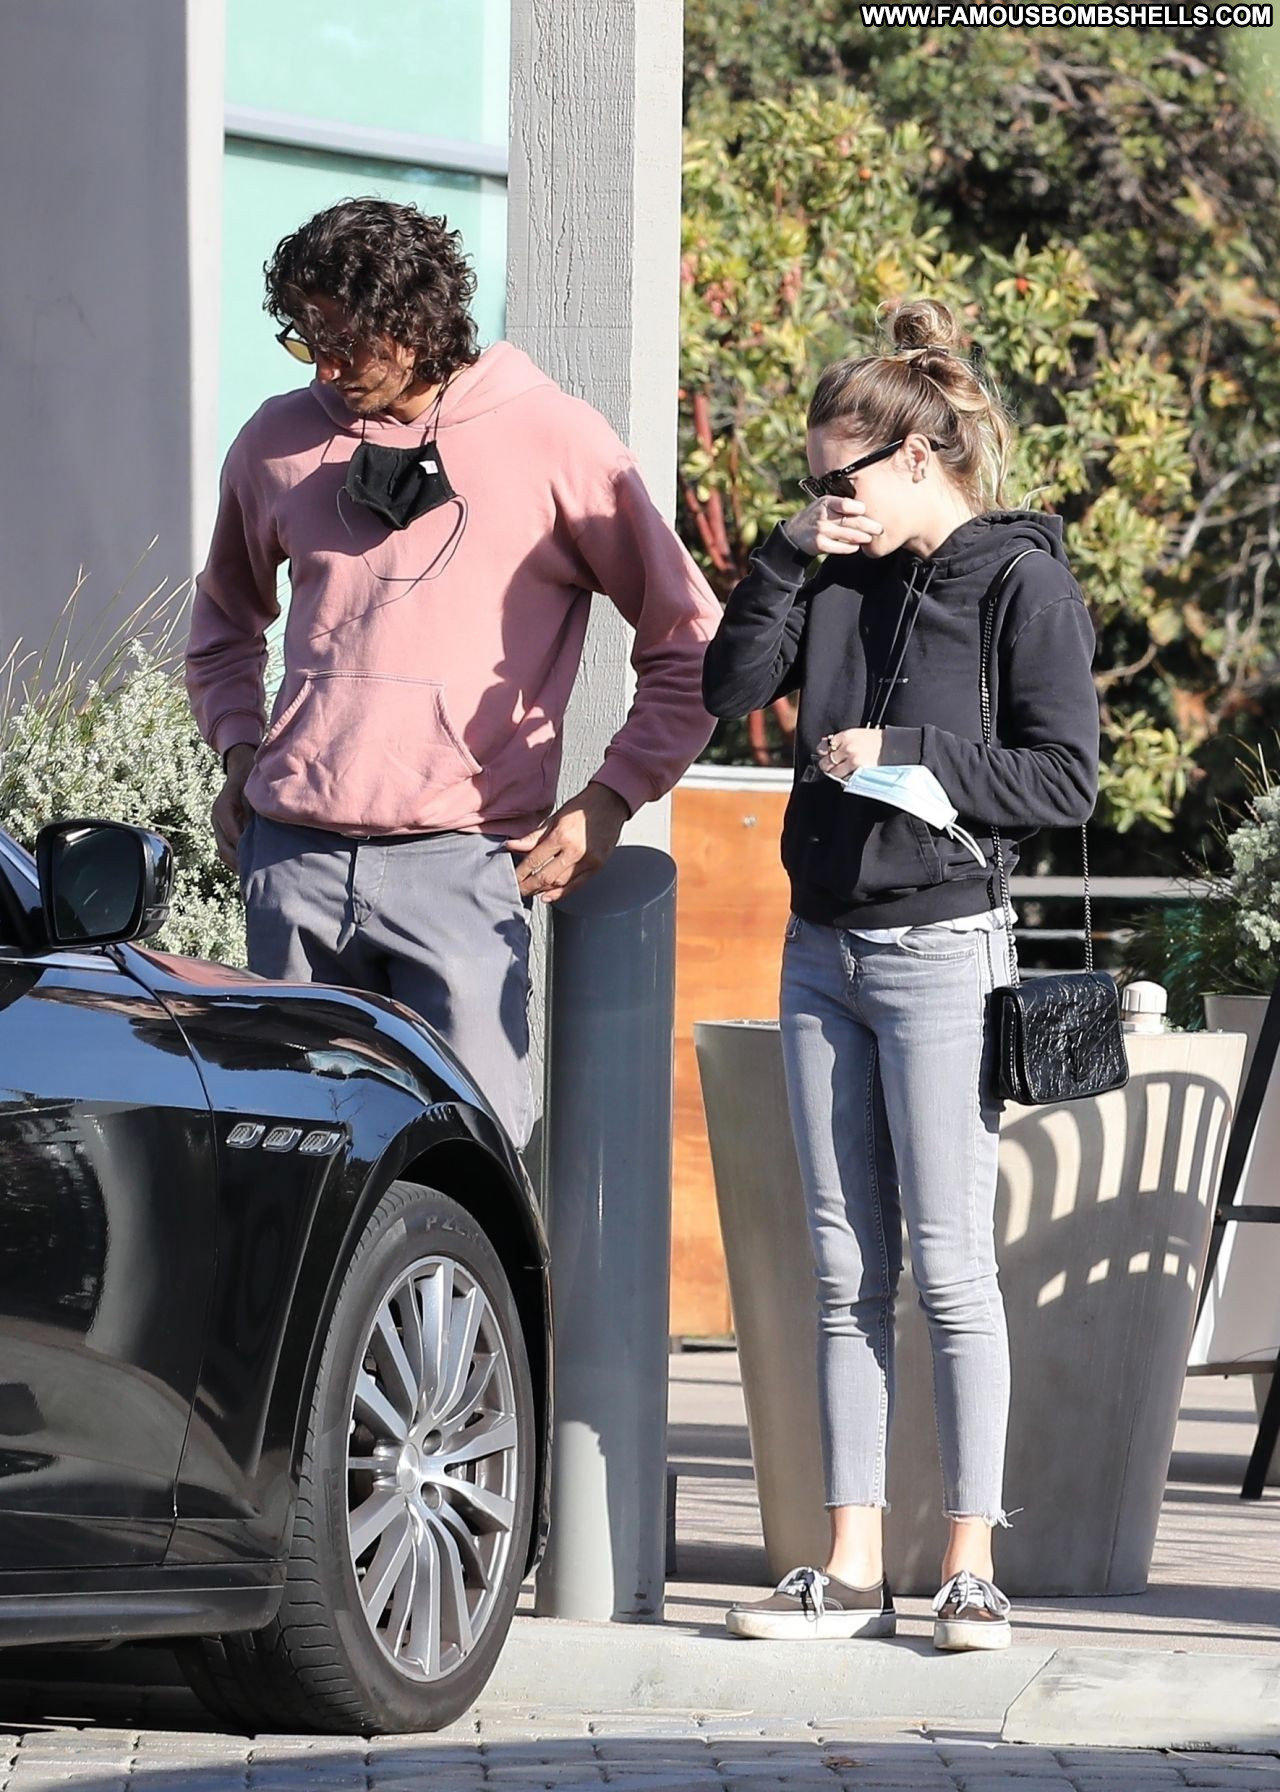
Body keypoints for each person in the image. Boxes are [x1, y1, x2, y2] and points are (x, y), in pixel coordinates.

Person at [703, 298, 1098, 1652]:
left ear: (918, 458)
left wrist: (904, 753)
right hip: (818, 947)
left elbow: (1065, 779)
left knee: (948, 1264)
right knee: (841, 1268)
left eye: (843, 479)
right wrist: (781, 554)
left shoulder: (1020, 581)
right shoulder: (831, 571)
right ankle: (847, 1562)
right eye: (813, 481)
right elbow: (728, 688)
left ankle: (970, 1568)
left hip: (943, 950)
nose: (828, 501)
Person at [186, 198, 720, 1147]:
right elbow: (225, 623)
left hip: (465, 866)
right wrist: (238, 752)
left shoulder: (555, 438)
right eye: (306, 338)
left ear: (415, 321)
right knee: (294, 1162)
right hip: (292, 865)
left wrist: (612, 798)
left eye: (346, 340)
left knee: (468, 1159)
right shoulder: (275, 440)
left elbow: (690, 641)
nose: (325, 368)